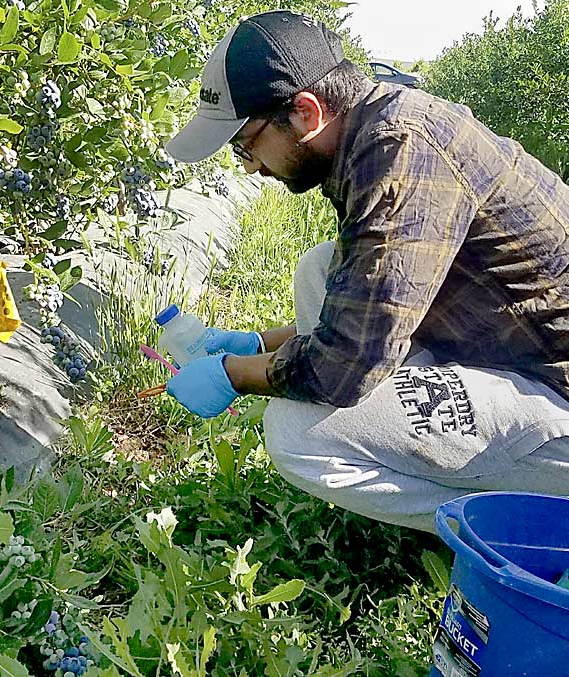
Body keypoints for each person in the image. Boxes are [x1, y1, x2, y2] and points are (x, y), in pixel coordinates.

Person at [163, 10, 569, 532]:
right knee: (318, 270)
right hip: (513, 349)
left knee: (298, 436)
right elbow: (380, 297)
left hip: (555, 391)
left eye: (246, 145)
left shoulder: (401, 156)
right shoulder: (373, 128)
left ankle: (508, 528)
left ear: (306, 113)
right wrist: (260, 341)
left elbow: (346, 364)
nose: (248, 166)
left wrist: (233, 375)